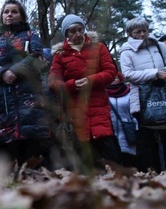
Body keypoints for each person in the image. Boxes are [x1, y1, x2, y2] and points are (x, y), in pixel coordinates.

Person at [0, 0, 50, 167]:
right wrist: (1, 73)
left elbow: (38, 57)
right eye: (6, 12)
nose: (10, 15)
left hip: (29, 96)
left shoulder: (30, 35)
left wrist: (15, 71)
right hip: (2, 99)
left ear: (22, 15)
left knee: (33, 150)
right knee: (8, 153)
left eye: (14, 12)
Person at [48, 14, 120, 172]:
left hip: (99, 109)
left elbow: (110, 72)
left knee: (109, 155)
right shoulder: (60, 55)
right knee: (83, 160)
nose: (78, 34)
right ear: (66, 34)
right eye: (72, 31)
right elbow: (53, 82)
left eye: (80, 29)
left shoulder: (99, 47)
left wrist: (91, 80)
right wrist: (71, 85)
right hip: (75, 112)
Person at [119, 16, 166, 172]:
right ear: (130, 33)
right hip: (141, 101)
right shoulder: (126, 51)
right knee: (148, 142)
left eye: (144, 31)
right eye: (137, 32)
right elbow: (127, 74)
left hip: (164, 98)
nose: (142, 35)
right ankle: (153, 175)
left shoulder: (159, 46)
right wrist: (154, 74)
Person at [107, 73, 139, 168]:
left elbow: (133, 111)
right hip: (110, 129)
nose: (113, 79)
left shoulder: (129, 92)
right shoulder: (103, 93)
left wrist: (136, 127)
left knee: (129, 158)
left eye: (115, 77)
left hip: (127, 130)